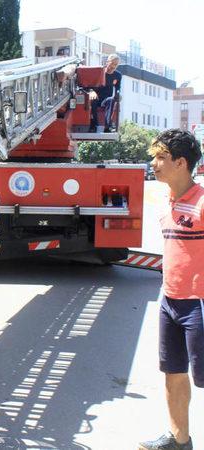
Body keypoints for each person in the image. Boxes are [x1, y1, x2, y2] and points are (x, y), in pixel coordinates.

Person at [139, 129, 203, 450]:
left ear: (180, 163)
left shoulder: (202, 202)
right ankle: (179, 440)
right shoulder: (167, 201)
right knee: (173, 373)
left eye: (161, 157)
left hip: (199, 305)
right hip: (170, 302)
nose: (154, 163)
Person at [89, 54, 121, 132]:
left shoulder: (118, 75)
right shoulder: (99, 72)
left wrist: (118, 95)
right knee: (93, 100)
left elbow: (118, 88)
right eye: (112, 63)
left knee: (111, 100)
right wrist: (91, 91)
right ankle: (93, 125)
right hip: (95, 97)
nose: (114, 66)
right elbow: (88, 84)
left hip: (106, 99)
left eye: (116, 65)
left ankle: (107, 126)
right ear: (107, 62)